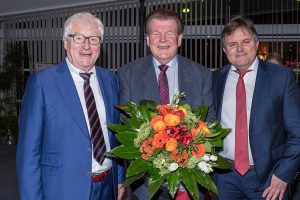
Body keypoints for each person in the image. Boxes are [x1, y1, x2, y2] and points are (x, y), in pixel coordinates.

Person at [16, 12, 125, 200]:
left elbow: (116, 136)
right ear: (65, 42)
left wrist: (120, 178)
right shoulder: (42, 83)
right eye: (79, 38)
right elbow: (28, 154)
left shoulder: (110, 80)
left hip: (108, 186)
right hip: (63, 190)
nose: (86, 46)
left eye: (93, 39)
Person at [118, 8, 214, 200]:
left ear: (179, 39)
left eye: (169, 33)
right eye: (156, 34)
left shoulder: (201, 75)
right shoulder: (127, 74)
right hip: (145, 186)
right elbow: (124, 128)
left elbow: (209, 125)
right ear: (147, 40)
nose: (162, 40)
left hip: (189, 185)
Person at [212, 15, 300, 200]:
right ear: (224, 49)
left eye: (245, 41)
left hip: (270, 178)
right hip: (224, 177)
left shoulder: (281, 77)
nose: (240, 49)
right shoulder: (214, 79)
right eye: (232, 44)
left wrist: (284, 174)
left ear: (257, 43)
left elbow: (297, 132)